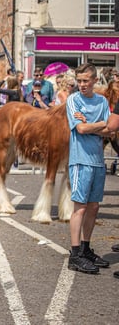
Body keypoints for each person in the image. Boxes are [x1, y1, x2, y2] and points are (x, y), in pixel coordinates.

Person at [65, 63, 110, 274]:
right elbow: (80, 128)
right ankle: (74, 255)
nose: (82, 85)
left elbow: (110, 130)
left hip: (98, 160)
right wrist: (99, 124)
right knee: (80, 207)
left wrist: (95, 125)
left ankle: (85, 248)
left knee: (93, 207)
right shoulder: (73, 100)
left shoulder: (102, 101)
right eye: (79, 81)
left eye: (86, 81)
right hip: (80, 161)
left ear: (94, 81)